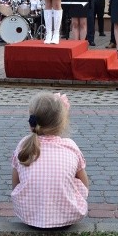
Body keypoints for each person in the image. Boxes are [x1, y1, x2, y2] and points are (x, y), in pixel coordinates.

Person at [11, 92, 89, 229]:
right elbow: (84, 184)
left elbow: (15, 183)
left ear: (32, 122)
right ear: (62, 122)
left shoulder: (23, 145)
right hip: (68, 218)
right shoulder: (70, 146)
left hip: (30, 218)